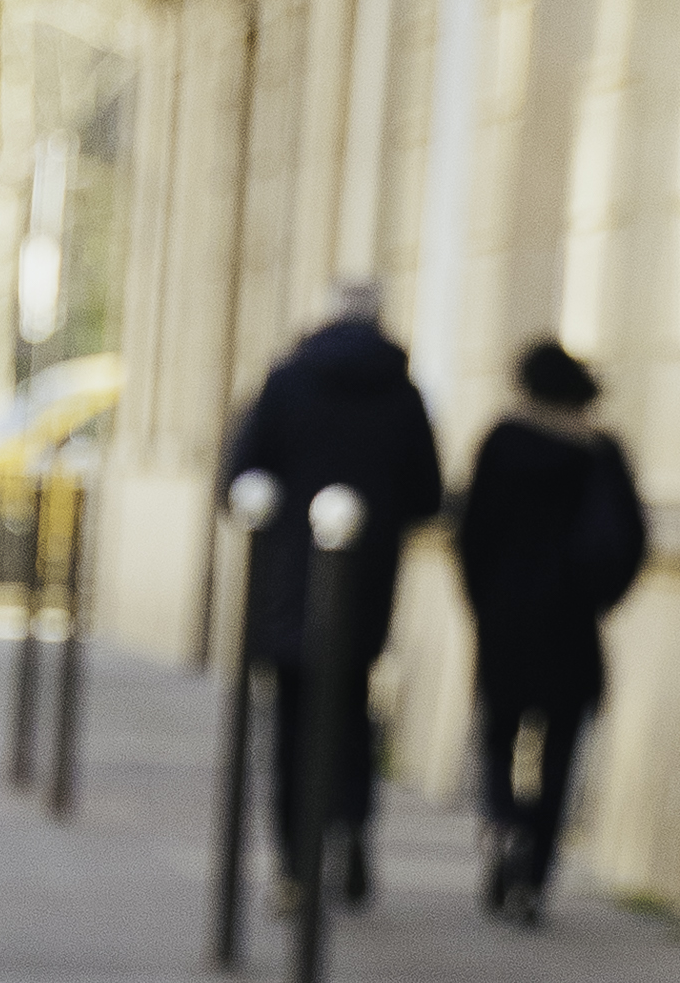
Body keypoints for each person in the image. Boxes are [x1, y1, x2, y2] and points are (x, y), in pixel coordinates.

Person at [224, 280, 445, 907]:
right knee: (350, 712)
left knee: (293, 723)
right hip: (366, 587)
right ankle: (350, 831)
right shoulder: (403, 393)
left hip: (288, 586)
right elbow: (427, 495)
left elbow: (239, 478)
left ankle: (295, 866)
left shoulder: (287, 382)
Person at [455, 339, 649, 923]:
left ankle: (503, 821)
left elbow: (473, 534)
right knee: (560, 750)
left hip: (507, 617)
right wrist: (598, 599)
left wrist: (484, 603)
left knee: (499, 735)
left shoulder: (502, 443)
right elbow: (631, 540)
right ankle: (534, 876)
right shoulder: (600, 450)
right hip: (572, 620)